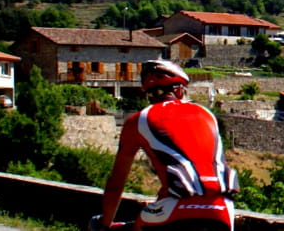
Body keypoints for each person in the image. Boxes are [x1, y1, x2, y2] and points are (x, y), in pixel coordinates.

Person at [97, 60, 239, 231]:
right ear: (180, 90)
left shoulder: (139, 120)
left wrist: (104, 225)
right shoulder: (207, 115)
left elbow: (116, 183)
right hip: (222, 208)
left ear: (148, 93)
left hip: (175, 208)